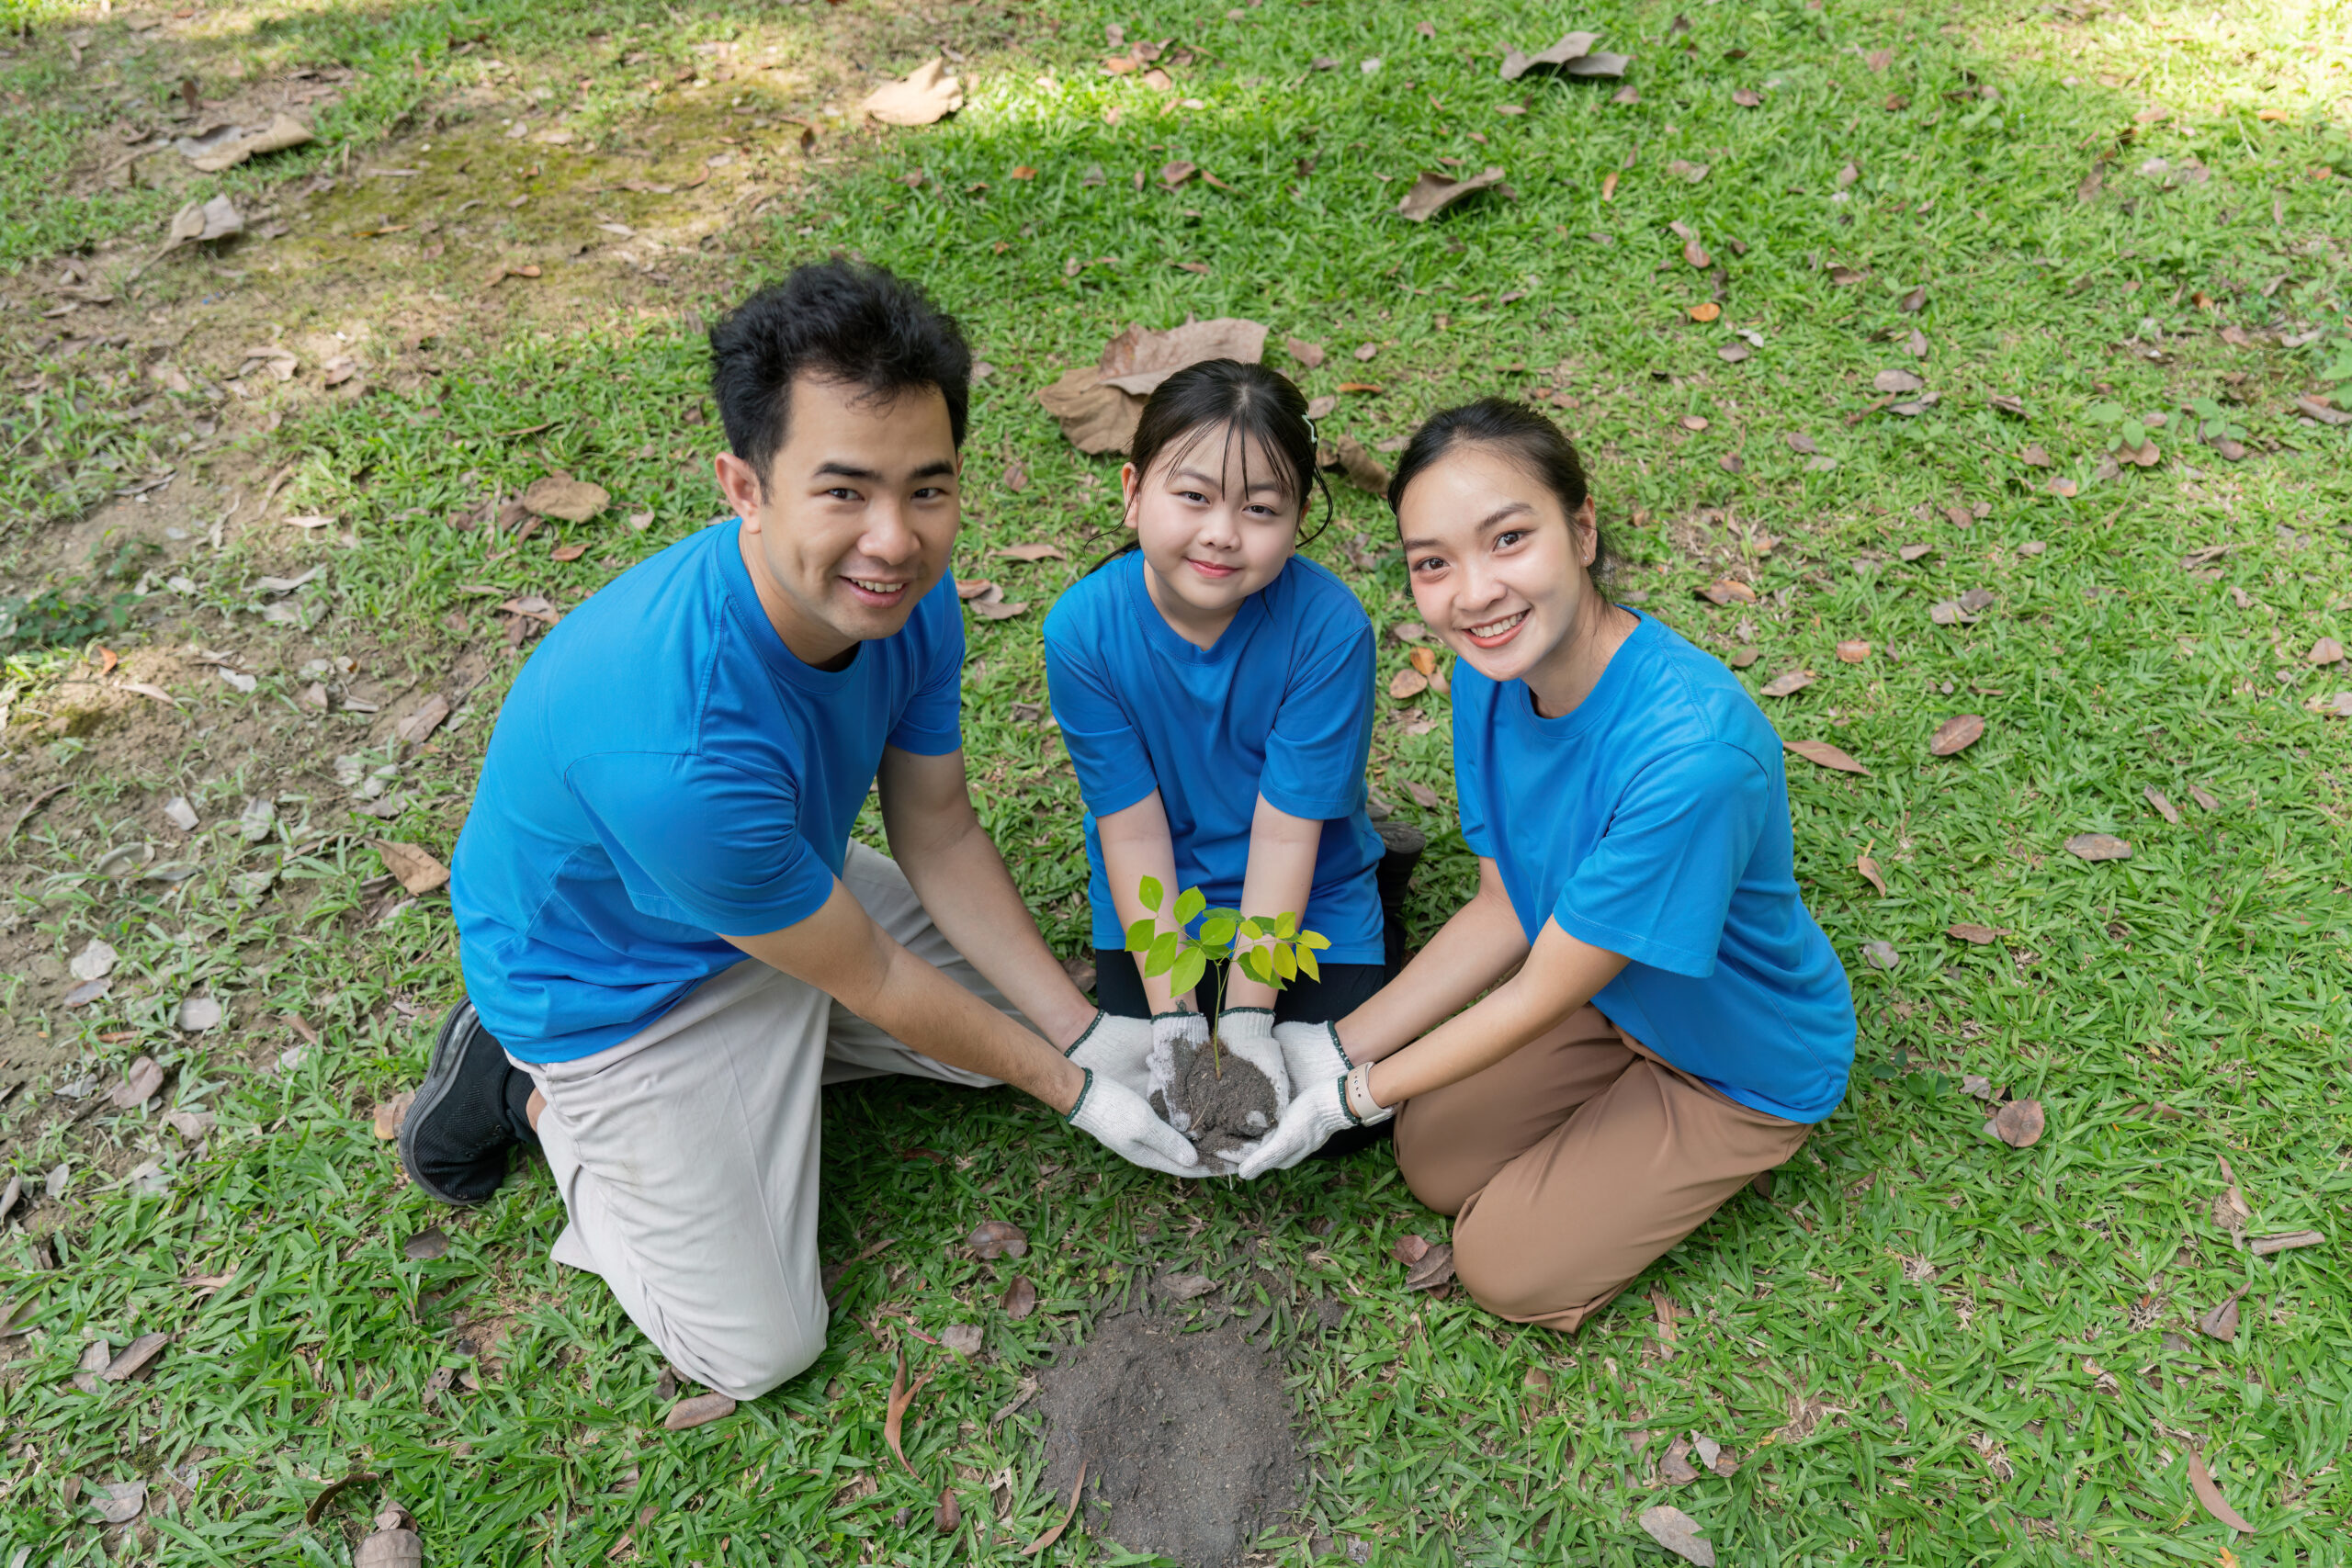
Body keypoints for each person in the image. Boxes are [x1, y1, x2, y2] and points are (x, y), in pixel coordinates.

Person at [397, 260, 1196, 1402]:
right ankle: (525, 1089)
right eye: (843, 491)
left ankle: (775, 1071)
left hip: (789, 899)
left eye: (929, 488)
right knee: (762, 1349)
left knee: (1031, 1024)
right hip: (627, 989)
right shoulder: (671, 745)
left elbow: (941, 830)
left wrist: (1079, 1037)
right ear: (745, 486)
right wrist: (1079, 1095)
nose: (893, 540)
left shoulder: (899, 601)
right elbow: (869, 968)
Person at [1240, 398, 1857, 1334]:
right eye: (1432, 564)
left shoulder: (1691, 756)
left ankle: (1724, 1138)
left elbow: (1534, 995)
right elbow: (1503, 909)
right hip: (1606, 999)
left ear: (1580, 527)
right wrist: (1331, 1045)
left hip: (1735, 1060)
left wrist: (1346, 1094)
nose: (1475, 593)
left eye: (1508, 539)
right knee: (1431, 1159)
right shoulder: (1492, 680)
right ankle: (1608, 1098)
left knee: (1500, 1266)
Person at [1042, 359, 1415, 1161]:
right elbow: (1134, 834)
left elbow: (1285, 841)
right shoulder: (1081, 631)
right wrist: (1178, 1011)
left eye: (1260, 508)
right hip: (1158, 889)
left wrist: (1246, 1020)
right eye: (1194, 496)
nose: (1222, 531)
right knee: (1159, 1096)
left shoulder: (1329, 628)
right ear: (1134, 490)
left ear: (1299, 516)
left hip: (1303, 878)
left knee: (1338, 1123)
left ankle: (1376, 872)